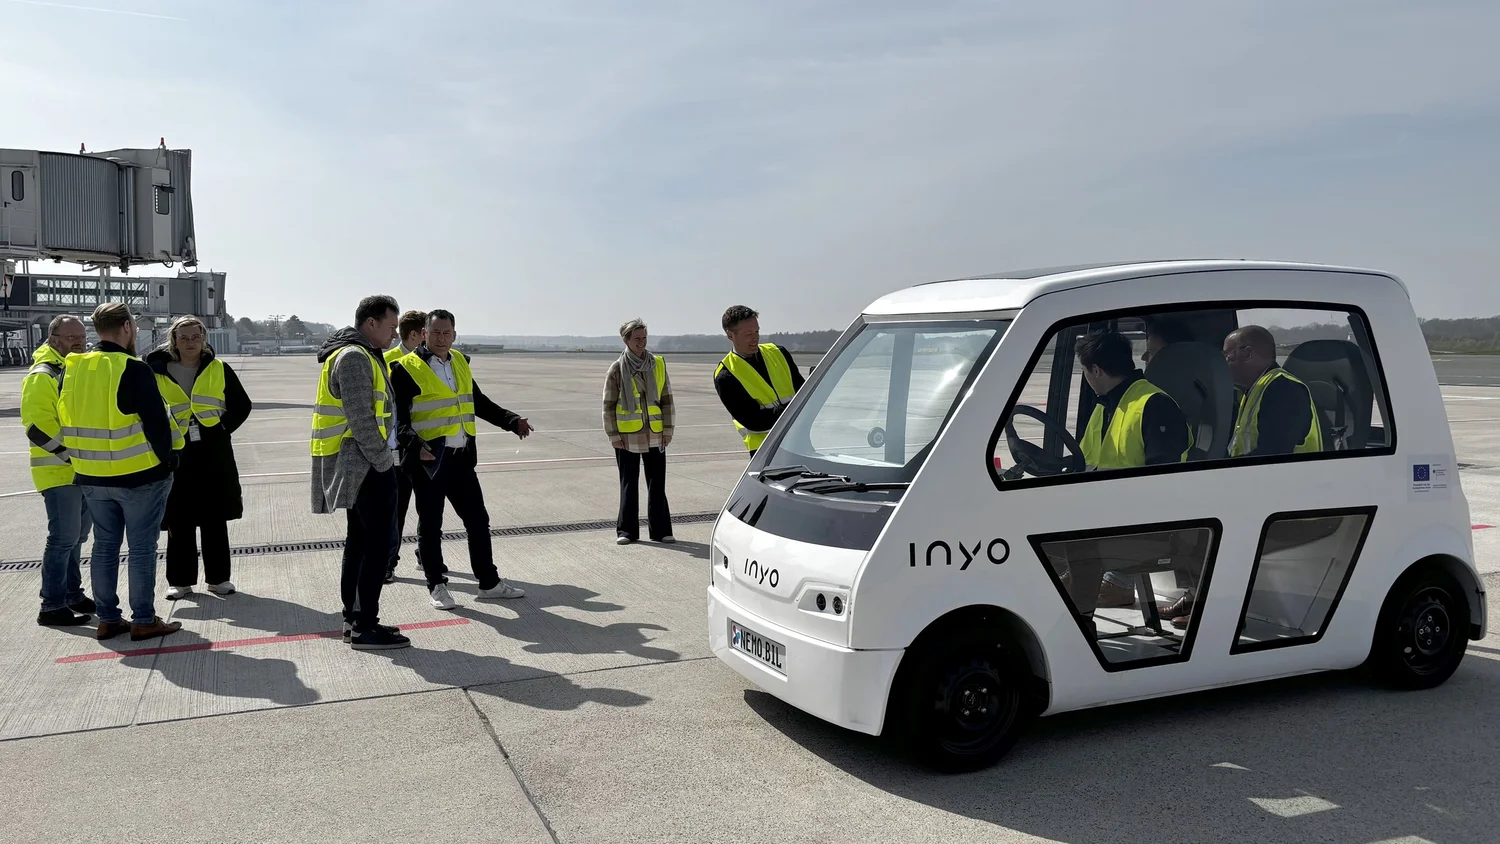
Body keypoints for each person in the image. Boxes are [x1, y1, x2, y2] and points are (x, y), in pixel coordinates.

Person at [390, 309, 530, 611]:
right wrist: (416, 446)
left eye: (447, 333)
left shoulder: (461, 363)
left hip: (461, 457)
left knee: (478, 519)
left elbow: (478, 403)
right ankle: (437, 586)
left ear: (454, 334)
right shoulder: (405, 368)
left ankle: (489, 583)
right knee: (431, 525)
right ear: (424, 334)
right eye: (436, 332)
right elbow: (398, 421)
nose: (442, 338)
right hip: (429, 459)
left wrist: (512, 420)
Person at [58, 302, 180, 641]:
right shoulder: (133, 368)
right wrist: (168, 461)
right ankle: (143, 618)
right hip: (138, 475)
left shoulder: (74, 368)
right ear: (127, 327)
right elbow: (156, 423)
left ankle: (108, 618)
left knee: (105, 545)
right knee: (141, 548)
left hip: (92, 476)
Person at [1062, 330, 1193, 626]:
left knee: (1080, 544)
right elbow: (1085, 463)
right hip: (1115, 516)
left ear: (1096, 370)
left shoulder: (1153, 405)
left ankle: (1080, 625)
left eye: (1084, 371)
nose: (1086, 377)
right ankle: (1069, 594)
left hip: (1155, 527)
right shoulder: (1105, 405)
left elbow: (1163, 482)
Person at [311, 295, 409, 650]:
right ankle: (365, 625)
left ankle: (356, 619)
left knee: (360, 542)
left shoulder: (361, 354)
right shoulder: (353, 357)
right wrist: (384, 462)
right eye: (392, 326)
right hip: (365, 464)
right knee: (375, 546)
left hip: (363, 462)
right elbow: (361, 418)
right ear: (372, 323)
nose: (395, 334)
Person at [146, 315, 252, 600]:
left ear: (204, 339)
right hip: (176, 450)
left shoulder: (219, 368)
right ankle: (180, 581)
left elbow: (242, 405)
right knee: (179, 517)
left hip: (212, 449)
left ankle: (219, 579)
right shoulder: (155, 371)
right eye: (184, 337)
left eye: (196, 337)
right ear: (174, 341)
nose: (191, 342)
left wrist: (222, 429)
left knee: (214, 515)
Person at [23, 315, 97, 627]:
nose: (78, 342)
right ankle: (51, 605)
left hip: (80, 470)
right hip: (59, 472)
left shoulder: (74, 369)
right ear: (53, 340)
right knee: (63, 537)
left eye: (81, 337)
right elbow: (36, 427)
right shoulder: (44, 375)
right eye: (71, 338)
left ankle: (71, 593)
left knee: (76, 537)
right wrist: (70, 457)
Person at [602, 318, 675, 545]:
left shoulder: (658, 364)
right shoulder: (616, 369)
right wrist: (613, 436)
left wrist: (668, 429)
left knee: (657, 484)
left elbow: (667, 399)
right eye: (637, 339)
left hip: (655, 433)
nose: (642, 342)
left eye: (644, 338)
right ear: (626, 340)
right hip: (627, 436)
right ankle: (627, 531)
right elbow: (608, 405)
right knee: (628, 484)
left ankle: (661, 530)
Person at [713, 305, 805, 455]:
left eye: (757, 331)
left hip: (798, 440)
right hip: (765, 449)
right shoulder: (725, 374)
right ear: (731, 336)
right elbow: (754, 420)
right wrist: (796, 408)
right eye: (748, 334)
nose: (755, 338)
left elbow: (804, 391)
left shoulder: (778, 352)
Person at [1223, 325, 1323, 457]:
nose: (1224, 363)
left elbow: (1274, 453)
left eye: (1227, 356)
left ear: (1247, 354)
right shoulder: (1254, 389)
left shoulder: (1284, 390)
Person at [384, 309, 427, 582]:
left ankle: (426, 555)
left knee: (428, 505)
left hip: (424, 445)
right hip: (398, 447)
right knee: (396, 509)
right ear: (415, 334)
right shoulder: (387, 360)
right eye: (426, 332)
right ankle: (389, 562)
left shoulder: (427, 360)